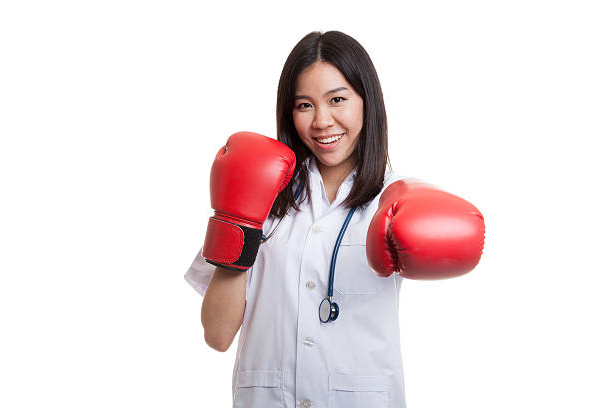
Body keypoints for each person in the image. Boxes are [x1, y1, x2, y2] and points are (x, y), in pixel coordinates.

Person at [185, 31, 485, 408]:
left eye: (337, 100)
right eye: (304, 105)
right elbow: (217, 335)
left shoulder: (396, 199)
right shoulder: (258, 189)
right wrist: (240, 224)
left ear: (366, 102)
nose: (322, 121)